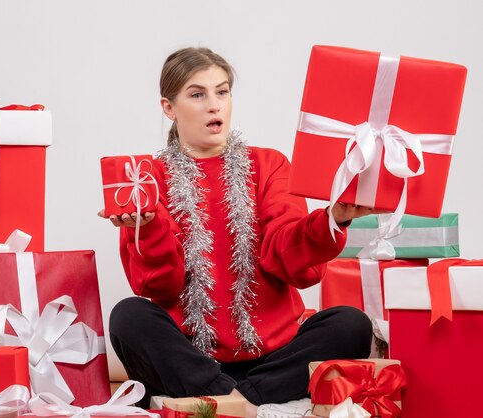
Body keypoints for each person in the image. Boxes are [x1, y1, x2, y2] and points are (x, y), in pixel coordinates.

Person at [100, 47, 377, 418]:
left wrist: (333, 219)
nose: (214, 105)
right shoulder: (146, 177)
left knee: (351, 324)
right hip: (191, 359)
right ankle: (241, 400)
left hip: (274, 357)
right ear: (169, 107)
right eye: (197, 94)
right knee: (128, 317)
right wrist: (147, 229)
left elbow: (286, 255)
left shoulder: (269, 164)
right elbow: (159, 287)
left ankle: (231, 404)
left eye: (222, 91)